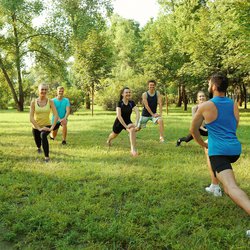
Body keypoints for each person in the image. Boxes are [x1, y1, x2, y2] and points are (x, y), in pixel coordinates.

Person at [190, 73, 250, 215]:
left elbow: (193, 130)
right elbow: (234, 125)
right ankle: (214, 185)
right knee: (210, 151)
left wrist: (203, 145)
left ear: (214, 86)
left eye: (209, 83)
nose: (208, 85)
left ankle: (217, 186)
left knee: (230, 188)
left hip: (220, 152)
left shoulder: (205, 106)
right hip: (234, 149)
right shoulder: (233, 104)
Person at [107, 87, 140, 157]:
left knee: (132, 130)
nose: (128, 94)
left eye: (129, 92)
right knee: (114, 135)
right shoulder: (119, 103)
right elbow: (119, 116)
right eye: (126, 92)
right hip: (119, 123)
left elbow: (137, 112)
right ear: (122, 94)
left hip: (128, 121)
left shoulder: (131, 103)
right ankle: (109, 140)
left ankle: (133, 150)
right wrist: (125, 126)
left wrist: (136, 123)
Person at [30, 84, 58, 162]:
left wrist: (52, 128)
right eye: (42, 89)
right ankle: (39, 148)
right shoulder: (33, 102)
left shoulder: (50, 102)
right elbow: (31, 118)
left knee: (43, 135)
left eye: (45, 89)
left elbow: (56, 115)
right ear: (38, 90)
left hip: (46, 125)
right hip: (36, 126)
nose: (44, 91)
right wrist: (39, 128)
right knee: (38, 142)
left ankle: (47, 157)